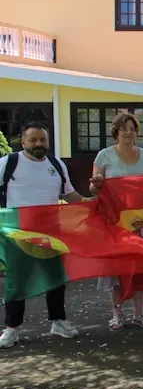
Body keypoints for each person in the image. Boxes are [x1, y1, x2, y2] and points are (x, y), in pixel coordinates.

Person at [0, 122, 88, 349]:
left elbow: (70, 195)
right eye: (33, 140)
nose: (39, 144)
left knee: (56, 278)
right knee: (17, 281)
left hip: (51, 233)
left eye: (42, 140)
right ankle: (11, 328)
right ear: (23, 142)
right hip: (18, 234)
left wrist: (92, 203)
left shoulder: (56, 165)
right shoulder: (8, 163)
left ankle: (58, 321)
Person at [89, 113, 143, 331]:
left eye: (132, 128)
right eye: (123, 128)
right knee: (116, 267)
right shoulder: (104, 155)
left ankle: (139, 313)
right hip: (114, 220)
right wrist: (98, 184)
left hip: (140, 220)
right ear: (116, 132)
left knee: (140, 267)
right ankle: (116, 314)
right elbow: (92, 188)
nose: (128, 132)